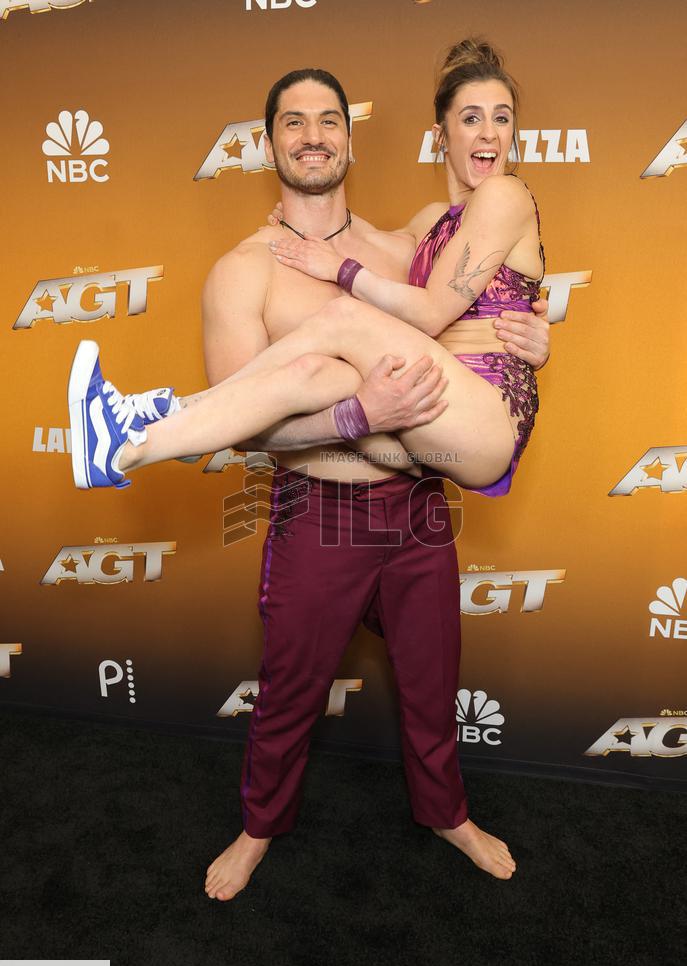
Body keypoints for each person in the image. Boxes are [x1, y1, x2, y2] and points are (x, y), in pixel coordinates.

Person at [69, 48, 551, 896]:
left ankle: (448, 814)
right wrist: (358, 414)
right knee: (288, 694)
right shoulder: (242, 269)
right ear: (267, 145)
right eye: (293, 122)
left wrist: (537, 336)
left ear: (350, 141)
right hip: (317, 511)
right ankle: (259, 828)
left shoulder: (403, 244)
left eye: (329, 119)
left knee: (432, 685)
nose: (313, 135)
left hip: (418, 502)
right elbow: (249, 427)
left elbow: (480, 310)